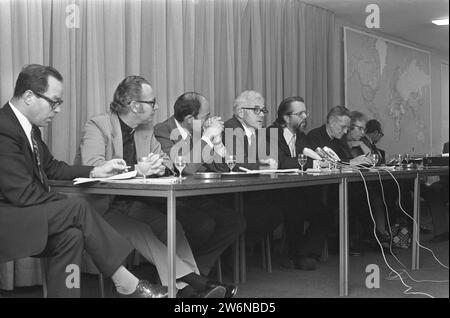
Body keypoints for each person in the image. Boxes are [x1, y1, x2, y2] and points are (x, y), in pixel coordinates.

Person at [0, 64, 166, 298]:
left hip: (25, 214)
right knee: (77, 207)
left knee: (72, 236)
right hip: (8, 218)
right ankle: (127, 283)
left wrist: (96, 171)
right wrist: (67, 206)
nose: (57, 110)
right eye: (54, 102)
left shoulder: (29, 129)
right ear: (29, 96)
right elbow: (22, 194)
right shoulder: (4, 128)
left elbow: (53, 168)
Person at [77, 76, 232, 298]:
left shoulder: (145, 130)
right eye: (152, 102)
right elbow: (93, 166)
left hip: (131, 203)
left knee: (171, 225)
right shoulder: (98, 125)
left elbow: (178, 166)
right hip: (100, 206)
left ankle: (192, 288)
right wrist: (137, 170)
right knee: (142, 231)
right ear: (133, 104)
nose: (157, 106)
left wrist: (161, 167)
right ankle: (196, 285)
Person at [154, 92, 245, 297]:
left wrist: (218, 142)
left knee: (235, 221)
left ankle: (197, 275)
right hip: (170, 199)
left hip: (197, 197)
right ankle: (191, 279)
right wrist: (205, 137)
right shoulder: (162, 131)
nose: (209, 121)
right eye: (206, 116)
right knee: (203, 225)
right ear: (189, 119)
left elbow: (224, 168)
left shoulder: (197, 133)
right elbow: (186, 168)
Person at [266, 96, 330, 270]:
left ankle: (305, 251)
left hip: (296, 190)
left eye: (305, 112)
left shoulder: (301, 137)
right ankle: (295, 255)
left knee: (326, 210)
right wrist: (316, 164)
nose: (305, 117)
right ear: (286, 117)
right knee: (296, 204)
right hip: (272, 192)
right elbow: (282, 163)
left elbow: (307, 157)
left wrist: (323, 160)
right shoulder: (270, 133)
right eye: (300, 113)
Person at [222, 90, 282, 249]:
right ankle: (234, 253)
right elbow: (236, 163)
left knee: (280, 210)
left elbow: (274, 158)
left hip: (253, 191)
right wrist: (263, 165)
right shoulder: (230, 127)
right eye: (256, 110)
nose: (262, 115)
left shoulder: (257, 131)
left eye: (263, 110)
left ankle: (242, 250)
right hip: (230, 194)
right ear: (241, 112)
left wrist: (269, 162)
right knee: (266, 214)